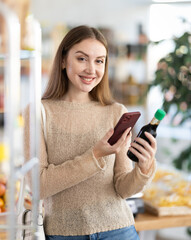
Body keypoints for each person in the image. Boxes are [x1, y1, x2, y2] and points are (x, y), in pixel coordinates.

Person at [24, 25, 157, 240]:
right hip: (64, 234)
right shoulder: (39, 112)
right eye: (82, 59)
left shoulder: (116, 112)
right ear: (63, 60)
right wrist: (94, 156)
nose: (91, 70)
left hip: (119, 230)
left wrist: (144, 168)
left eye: (99, 61)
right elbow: (39, 186)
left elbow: (122, 188)